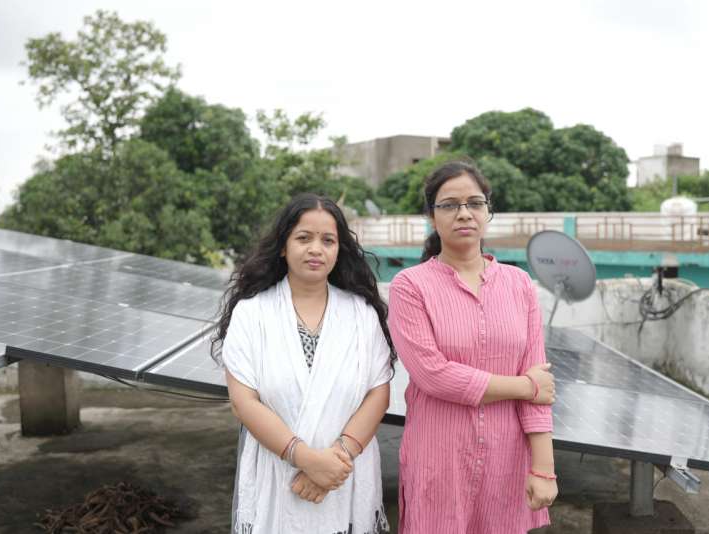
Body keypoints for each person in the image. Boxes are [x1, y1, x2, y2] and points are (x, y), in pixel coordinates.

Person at [387, 161, 558, 533]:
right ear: (432, 216)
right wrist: (524, 386)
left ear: (487, 211)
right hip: (439, 460)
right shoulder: (410, 286)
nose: (464, 213)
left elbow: (539, 384)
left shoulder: (519, 284)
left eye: (475, 203)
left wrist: (544, 468)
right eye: (449, 205)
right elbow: (433, 375)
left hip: (506, 460)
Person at [212, 193, 394, 534]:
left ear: (339, 250)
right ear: (283, 246)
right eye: (304, 238)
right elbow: (243, 401)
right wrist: (307, 459)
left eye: (328, 240)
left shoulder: (361, 314)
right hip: (278, 475)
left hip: (344, 476)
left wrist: (333, 463)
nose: (316, 249)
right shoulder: (252, 313)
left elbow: (378, 393)